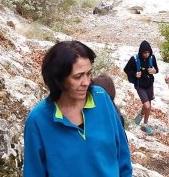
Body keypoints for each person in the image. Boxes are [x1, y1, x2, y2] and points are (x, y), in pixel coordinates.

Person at [23, 41, 132, 177]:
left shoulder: (101, 98)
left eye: (88, 74)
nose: (86, 82)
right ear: (58, 78)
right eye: (78, 76)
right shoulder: (38, 120)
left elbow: (122, 152)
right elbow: (34, 172)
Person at [123, 40, 159, 136]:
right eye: (144, 53)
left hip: (150, 84)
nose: (146, 54)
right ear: (141, 52)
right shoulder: (134, 59)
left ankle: (144, 124)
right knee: (147, 106)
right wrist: (134, 74)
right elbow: (126, 69)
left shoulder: (152, 57)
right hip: (140, 85)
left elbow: (157, 69)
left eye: (148, 52)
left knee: (148, 104)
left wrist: (154, 70)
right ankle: (143, 122)